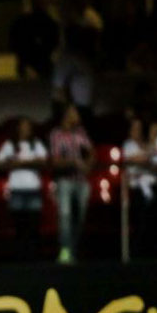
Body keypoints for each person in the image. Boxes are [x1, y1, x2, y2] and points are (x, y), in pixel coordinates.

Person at [0, 117, 48, 261]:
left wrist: (24, 163)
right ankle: (20, 257)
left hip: (33, 188)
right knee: (19, 224)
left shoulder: (36, 144)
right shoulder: (10, 145)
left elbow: (43, 161)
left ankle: (34, 257)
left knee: (33, 224)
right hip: (17, 188)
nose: (26, 129)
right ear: (18, 128)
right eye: (23, 126)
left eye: (28, 126)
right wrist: (14, 163)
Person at [49, 104, 94, 264]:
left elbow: (91, 153)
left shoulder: (81, 133)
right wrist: (74, 162)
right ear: (66, 115)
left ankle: (73, 250)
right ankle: (65, 251)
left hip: (81, 181)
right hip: (64, 181)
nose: (77, 115)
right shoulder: (57, 134)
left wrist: (87, 164)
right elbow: (55, 161)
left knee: (80, 218)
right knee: (65, 216)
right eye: (74, 112)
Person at [122, 119, 157, 258]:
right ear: (130, 130)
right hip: (137, 188)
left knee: (153, 223)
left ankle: (152, 254)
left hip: (153, 185)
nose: (138, 131)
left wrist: (149, 158)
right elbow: (133, 160)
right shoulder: (129, 145)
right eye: (135, 128)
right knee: (140, 223)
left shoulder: (149, 144)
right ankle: (137, 255)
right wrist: (149, 158)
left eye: (140, 128)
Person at [10, 0, 59, 80]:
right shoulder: (49, 23)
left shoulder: (21, 22)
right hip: (37, 65)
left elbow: (14, 44)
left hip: (40, 66)